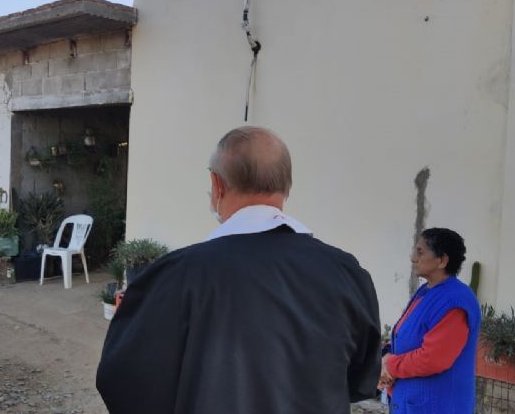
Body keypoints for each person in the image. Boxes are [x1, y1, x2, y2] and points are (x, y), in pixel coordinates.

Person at [97, 126, 381, 414]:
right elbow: (360, 380)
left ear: (217, 185)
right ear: (286, 187)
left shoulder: (176, 275)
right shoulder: (346, 273)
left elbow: (122, 379)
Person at [379, 228, 481, 414]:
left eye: (420, 252)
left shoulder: (454, 301)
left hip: (437, 404)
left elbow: (434, 359)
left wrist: (391, 365)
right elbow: (408, 335)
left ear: (442, 260)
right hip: (411, 401)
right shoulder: (427, 291)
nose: (413, 258)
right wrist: (387, 354)